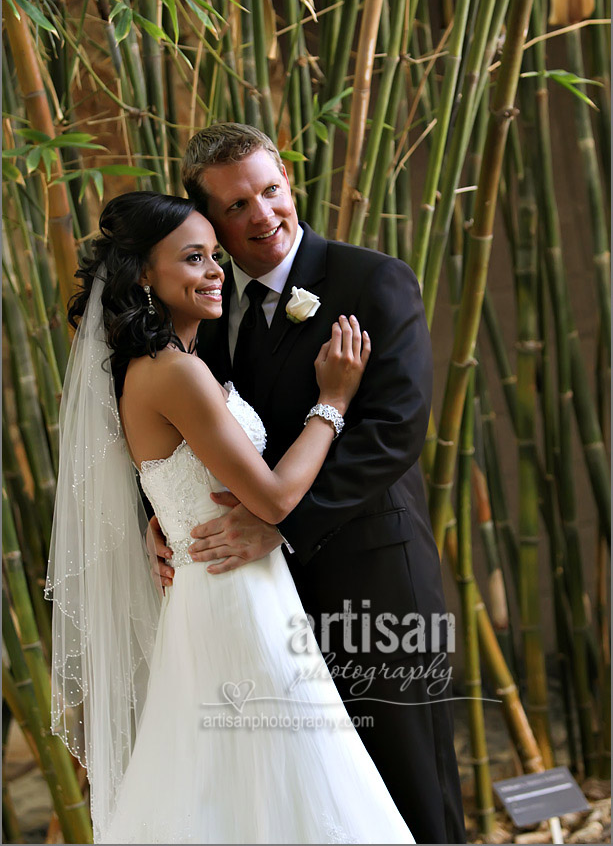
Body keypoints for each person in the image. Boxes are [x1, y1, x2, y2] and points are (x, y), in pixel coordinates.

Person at [46, 190, 416, 844]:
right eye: (193, 258)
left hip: (224, 591)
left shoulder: (169, 365)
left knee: (247, 791)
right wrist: (331, 403)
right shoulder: (173, 373)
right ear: (143, 276)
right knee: (288, 780)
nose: (216, 271)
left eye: (215, 256)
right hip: (234, 599)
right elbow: (272, 500)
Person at [150, 123, 467, 843]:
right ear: (207, 217)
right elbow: (203, 432)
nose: (262, 215)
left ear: (288, 179)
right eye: (235, 206)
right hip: (262, 603)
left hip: (371, 575)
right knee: (321, 802)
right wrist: (163, 515)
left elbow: (393, 429)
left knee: (408, 788)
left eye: (269, 190)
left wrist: (280, 524)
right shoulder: (208, 302)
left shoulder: (369, 278)